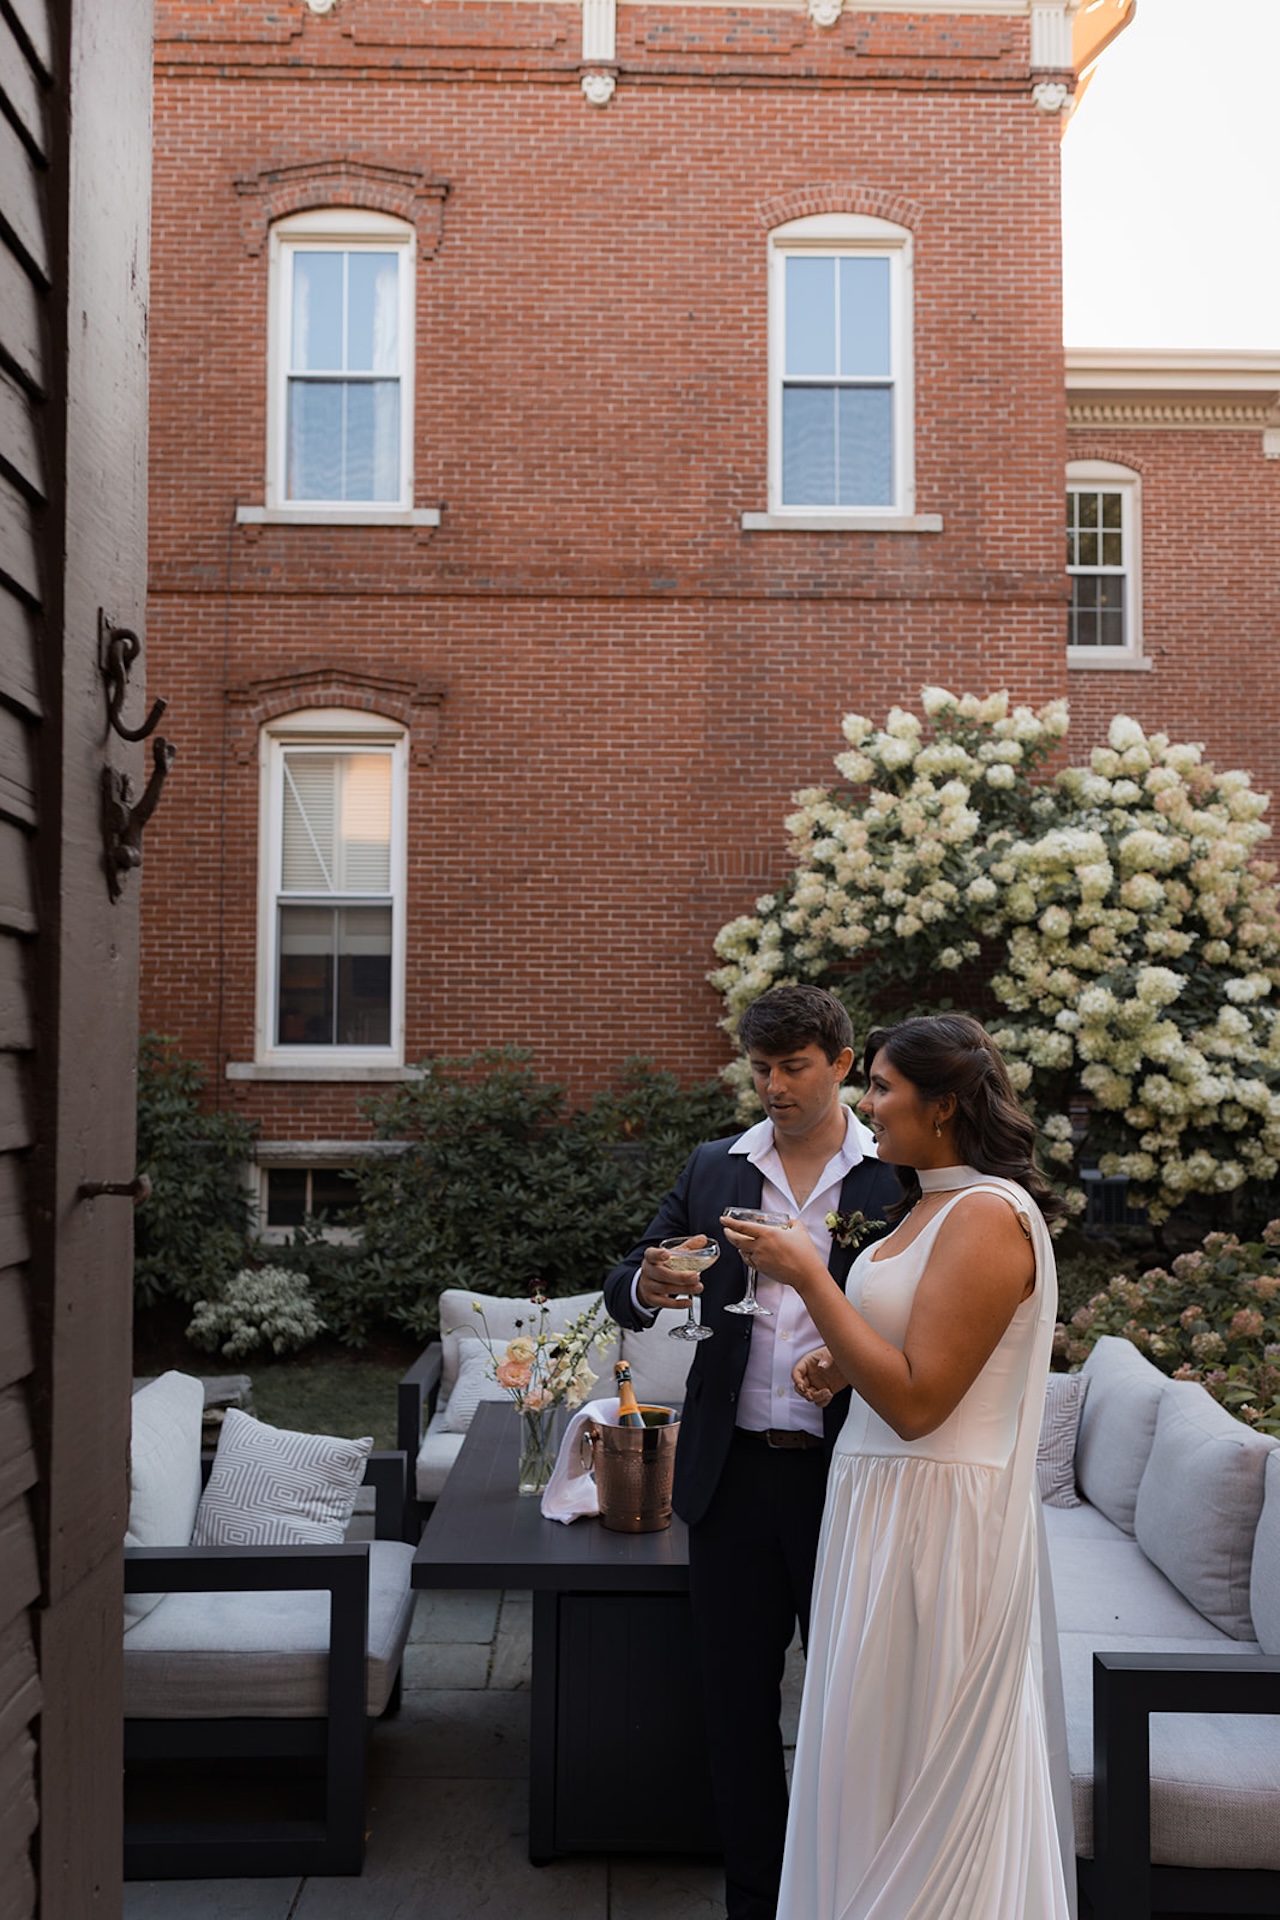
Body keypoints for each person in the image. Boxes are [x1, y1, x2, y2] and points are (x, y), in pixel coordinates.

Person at [720, 1014, 1073, 1920]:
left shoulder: (989, 1216)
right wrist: (843, 1356)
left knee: (918, 1762)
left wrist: (811, 1278)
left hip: (938, 1527)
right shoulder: (925, 1204)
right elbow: (911, 1343)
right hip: (877, 1513)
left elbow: (920, 1405)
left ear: (945, 1104)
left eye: (881, 1087)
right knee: (862, 1755)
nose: (867, 1104)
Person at [603, 985, 901, 1920]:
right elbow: (627, 1280)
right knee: (733, 1711)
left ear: (843, 1065)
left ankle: (841, 1891)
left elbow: (922, 1327)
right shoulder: (715, 1166)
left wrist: (847, 1368)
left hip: (846, 1478)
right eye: (760, 1067)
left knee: (848, 1711)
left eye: (793, 1067)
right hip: (728, 1479)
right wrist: (651, 1281)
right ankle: (753, 1901)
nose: (772, 1085)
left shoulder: (895, 1175)